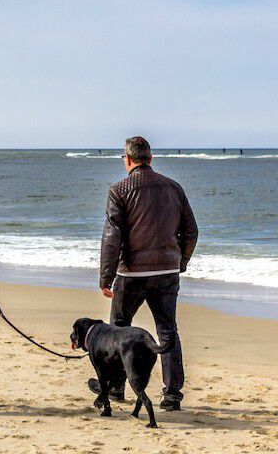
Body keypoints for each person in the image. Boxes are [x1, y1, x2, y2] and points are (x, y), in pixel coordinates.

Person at [95, 136, 198, 410]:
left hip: (131, 274)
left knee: (117, 329)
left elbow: (111, 237)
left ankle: (117, 389)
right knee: (167, 332)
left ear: (127, 160)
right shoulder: (174, 188)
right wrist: (180, 262)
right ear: (150, 159)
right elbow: (191, 231)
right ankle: (172, 395)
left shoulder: (119, 189)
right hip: (166, 271)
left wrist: (106, 277)